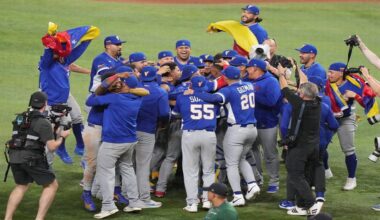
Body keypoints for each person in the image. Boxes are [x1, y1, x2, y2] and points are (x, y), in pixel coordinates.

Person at [191, 66, 260, 207]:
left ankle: (238, 196)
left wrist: (196, 92)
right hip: (252, 130)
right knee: (241, 158)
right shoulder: (248, 85)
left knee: (231, 163)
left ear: (226, 78)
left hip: (237, 131)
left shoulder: (228, 90)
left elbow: (213, 98)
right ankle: (252, 184)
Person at [4, 91, 70, 220]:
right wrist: (62, 137)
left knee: (21, 186)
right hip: (31, 158)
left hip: (14, 157)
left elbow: (29, 132)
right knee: (51, 185)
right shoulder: (43, 122)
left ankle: (7, 218)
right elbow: (51, 147)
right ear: (45, 104)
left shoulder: (20, 118)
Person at [86, 74, 145, 219]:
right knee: (127, 169)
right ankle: (134, 202)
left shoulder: (115, 98)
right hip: (130, 140)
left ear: (127, 86)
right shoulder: (138, 98)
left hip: (113, 142)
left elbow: (90, 101)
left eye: (122, 83)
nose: (119, 84)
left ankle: (108, 206)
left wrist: (106, 85)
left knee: (105, 172)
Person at [39, 29, 93, 165]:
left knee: (76, 119)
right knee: (55, 134)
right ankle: (50, 161)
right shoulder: (46, 64)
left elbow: (76, 54)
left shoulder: (64, 60)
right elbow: (48, 54)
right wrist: (49, 42)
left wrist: (87, 40)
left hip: (62, 99)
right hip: (51, 102)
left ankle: (79, 147)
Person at [278, 67, 323, 216]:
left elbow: (284, 89)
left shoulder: (299, 103)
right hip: (313, 145)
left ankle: (311, 204)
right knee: (305, 175)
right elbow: (306, 85)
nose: (298, 92)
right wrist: (296, 68)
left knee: (296, 175)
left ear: (302, 94)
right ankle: (301, 205)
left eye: (300, 91)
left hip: (300, 147)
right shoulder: (317, 102)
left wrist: (281, 74)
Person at [173, 76, 219, 212]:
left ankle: (192, 203)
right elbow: (217, 116)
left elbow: (175, 113)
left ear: (191, 86)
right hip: (209, 135)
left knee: (191, 171)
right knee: (209, 170)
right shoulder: (212, 97)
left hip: (190, 135)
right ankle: (206, 201)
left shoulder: (183, 97)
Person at [135, 66, 170, 208]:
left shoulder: (134, 88)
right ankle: (144, 199)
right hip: (147, 132)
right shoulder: (160, 92)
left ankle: (127, 195)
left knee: (127, 165)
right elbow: (164, 114)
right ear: (156, 77)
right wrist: (162, 125)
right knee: (143, 166)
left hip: (128, 132)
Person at [245, 59, 281, 193]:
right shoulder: (247, 80)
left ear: (256, 68)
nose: (246, 70)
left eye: (248, 68)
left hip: (267, 123)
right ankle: (257, 179)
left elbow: (271, 101)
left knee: (270, 154)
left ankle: (274, 181)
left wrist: (251, 94)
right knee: (253, 152)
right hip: (251, 124)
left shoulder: (271, 81)